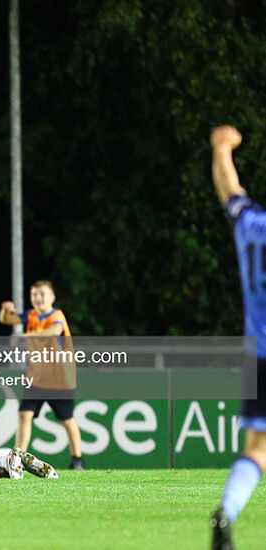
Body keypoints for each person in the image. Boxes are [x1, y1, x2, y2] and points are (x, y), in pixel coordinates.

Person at [209, 125, 266, 550]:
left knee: (258, 449)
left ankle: (227, 511)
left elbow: (229, 188)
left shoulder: (252, 225)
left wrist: (222, 147)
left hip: (259, 356)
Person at [0, 280, 83, 470]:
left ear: (52, 297)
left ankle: (77, 459)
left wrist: (23, 337)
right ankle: (17, 459)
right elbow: (7, 320)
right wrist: (5, 309)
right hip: (36, 377)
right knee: (24, 414)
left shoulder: (56, 315)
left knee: (67, 419)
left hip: (59, 378)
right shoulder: (31, 315)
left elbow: (54, 331)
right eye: (34, 294)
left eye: (42, 294)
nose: (37, 298)